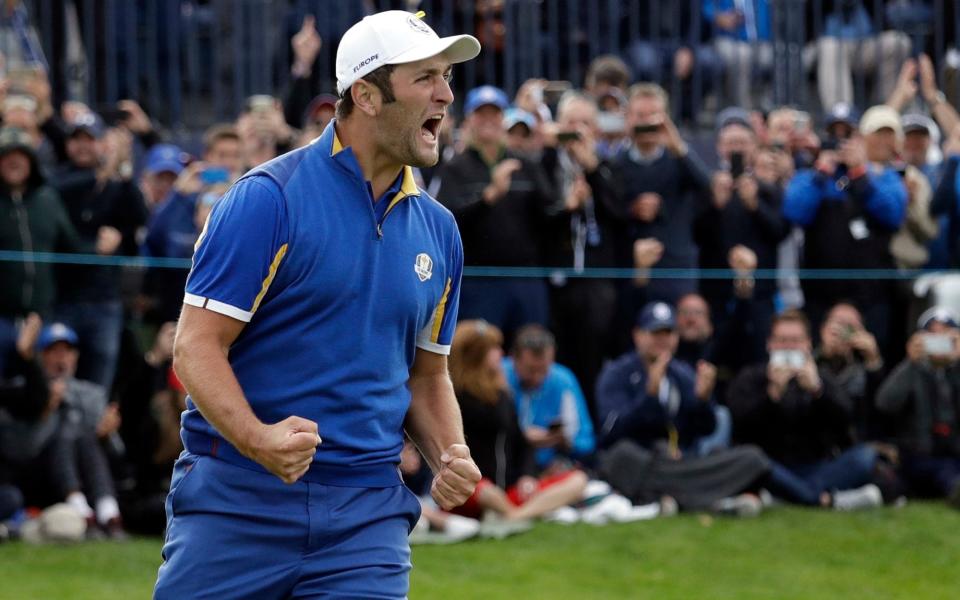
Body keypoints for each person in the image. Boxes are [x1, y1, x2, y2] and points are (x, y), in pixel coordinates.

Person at [154, 11, 482, 599]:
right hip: (235, 506)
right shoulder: (266, 200)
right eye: (426, 77)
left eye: (447, 77)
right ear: (366, 95)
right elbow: (195, 345)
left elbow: (427, 374)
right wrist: (259, 439)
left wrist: (447, 454)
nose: (446, 94)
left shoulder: (441, 232)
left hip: (366, 521)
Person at [727, 309, 884, 510]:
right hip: (770, 465)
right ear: (770, 344)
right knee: (750, 459)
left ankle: (789, 495)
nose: (789, 346)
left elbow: (846, 420)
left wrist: (818, 391)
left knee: (865, 456)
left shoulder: (821, 378)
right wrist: (772, 396)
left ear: (808, 344)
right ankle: (824, 500)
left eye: (795, 340)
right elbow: (741, 424)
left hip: (816, 467)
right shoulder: (751, 377)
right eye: (782, 340)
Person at [448, 320, 588, 525]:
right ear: (475, 355)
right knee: (484, 490)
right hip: (471, 490)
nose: (500, 354)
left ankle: (514, 515)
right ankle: (516, 514)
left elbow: (522, 445)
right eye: (493, 348)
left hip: (507, 490)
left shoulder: (501, 394)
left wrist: (527, 476)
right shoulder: (454, 396)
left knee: (578, 480)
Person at [876, 307, 960, 506]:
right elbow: (885, 403)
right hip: (920, 457)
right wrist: (910, 362)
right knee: (944, 469)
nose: (939, 342)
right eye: (932, 335)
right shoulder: (911, 370)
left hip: (955, 452)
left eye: (946, 336)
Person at [502, 324, 596, 471]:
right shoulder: (499, 377)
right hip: (504, 465)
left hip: (548, 468)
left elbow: (586, 441)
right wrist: (519, 436)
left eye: (544, 369)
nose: (537, 377)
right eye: (531, 370)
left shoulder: (563, 380)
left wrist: (565, 441)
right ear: (513, 358)